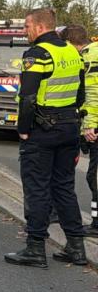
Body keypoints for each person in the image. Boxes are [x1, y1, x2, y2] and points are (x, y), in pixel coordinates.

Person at [5, 9, 88, 268]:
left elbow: (28, 97)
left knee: (37, 188)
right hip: (69, 127)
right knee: (63, 188)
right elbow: (80, 95)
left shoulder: (37, 54)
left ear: (40, 27)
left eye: (27, 26)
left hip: (42, 131)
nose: (25, 31)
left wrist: (23, 129)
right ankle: (76, 247)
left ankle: (35, 248)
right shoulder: (72, 52)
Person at [61, 25, 98, 235]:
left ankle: (97, 225)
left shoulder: (88, 56)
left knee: (94, 176)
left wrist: (90, 124)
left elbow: (92, 92)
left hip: (95, 125)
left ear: (70, 43)